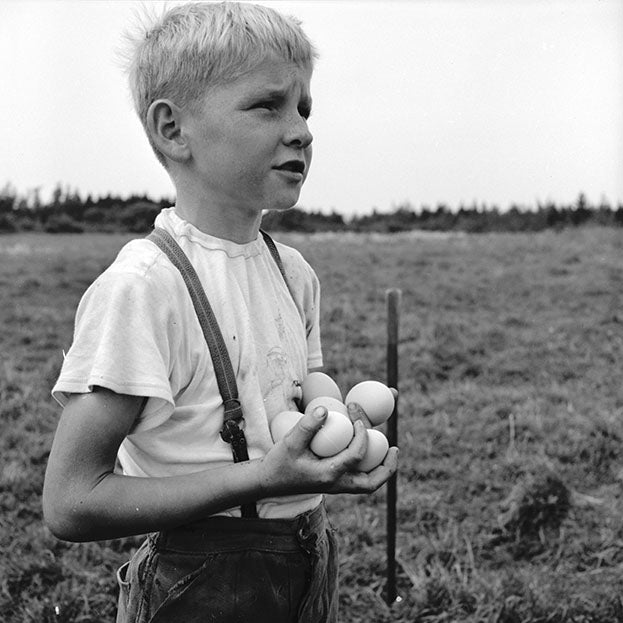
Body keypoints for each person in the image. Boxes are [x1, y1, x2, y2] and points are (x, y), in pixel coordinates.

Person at [42, 3, 399, 622]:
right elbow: (71, 501)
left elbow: (301, 395)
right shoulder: (144, 289)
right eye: (268, 105)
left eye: (304, 108)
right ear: (173, 130)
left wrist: (339, 424)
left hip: (307, 556)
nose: (301, 131)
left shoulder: (293, 273)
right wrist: (263, 478)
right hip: (198, 582)